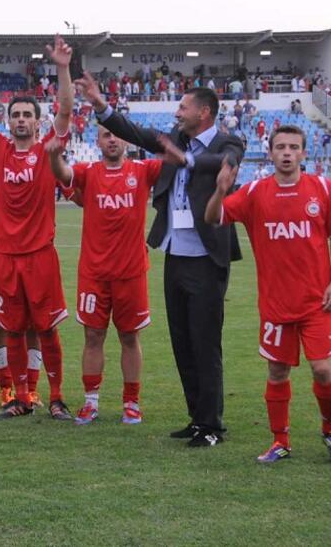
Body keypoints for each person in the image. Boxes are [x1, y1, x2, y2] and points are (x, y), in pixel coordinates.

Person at [95, 77, 244, 446]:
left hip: (207, 258)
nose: (177, 112)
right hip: (176, 252)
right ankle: (197, 418)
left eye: (183, 106)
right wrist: (101, 105)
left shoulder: (228, 142)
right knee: (182, 341)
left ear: (204, 112)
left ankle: (212, 426)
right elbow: (138, 133)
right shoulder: (176, 140)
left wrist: (188, 160)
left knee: (205, 342)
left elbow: (221, 162)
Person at [46, 75, 184, 425]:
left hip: (131, 272)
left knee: (128, 337)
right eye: (106, 135)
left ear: (127, 139)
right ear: (97, 140)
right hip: (94, 273)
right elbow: (62, 173)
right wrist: (53, 156)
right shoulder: (88, 173)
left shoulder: (144, 170)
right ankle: (91, 401)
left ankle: (131, 402)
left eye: (117, 134)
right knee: (93, 336)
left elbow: (172, 156)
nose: (112, 140)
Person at [0, 38, 75, 420]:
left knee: (46, 329)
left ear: (37, 122)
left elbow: (66, 108)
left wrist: (62, 67)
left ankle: (55, 397)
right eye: (16, 115)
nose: (22, 119)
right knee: (11, 328)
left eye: (28, 114)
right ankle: (21, 399)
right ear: (9, 120)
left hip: (40, 255)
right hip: (5, 255)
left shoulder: (48, 148)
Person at [205, 125, 331, 462]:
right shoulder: (255, 192)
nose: (287, 153)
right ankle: (280, 441)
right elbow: (213, 217)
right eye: (280, 147)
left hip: (318, 302)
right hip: (275, 305)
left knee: (324, 370)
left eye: (293, 147)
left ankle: (329, 429)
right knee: (277, 372)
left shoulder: (321, 188)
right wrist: (220, 190)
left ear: (304, 153)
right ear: (271, 152)